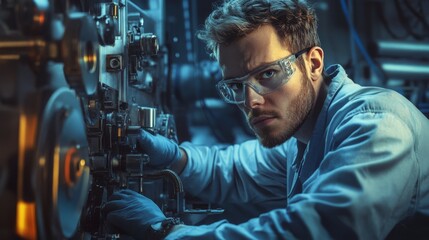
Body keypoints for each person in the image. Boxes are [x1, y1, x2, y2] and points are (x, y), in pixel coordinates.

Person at [104, 0, 429, 239]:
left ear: (314, 63)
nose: (251, 101)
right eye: (236, 85)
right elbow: (234, 169)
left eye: (268, 73)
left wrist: (166, 231)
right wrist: (177, 158)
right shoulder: (304, 136)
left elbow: (314, 232)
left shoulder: (375, 123)